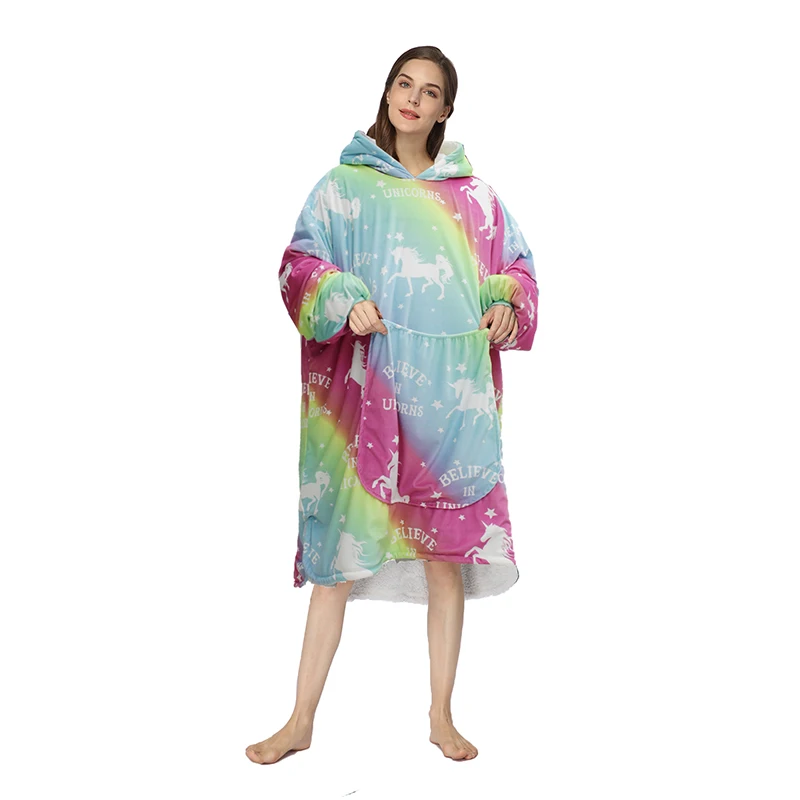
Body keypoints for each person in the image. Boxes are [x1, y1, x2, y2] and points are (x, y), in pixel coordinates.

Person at [246, 45, 539, 765]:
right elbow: (299, 264)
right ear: (387, 92)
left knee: (444, 563)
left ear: (446, 109)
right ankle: (299, 721)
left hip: (446, 409)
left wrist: (506, 304)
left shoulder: (475, 199)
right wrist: (339, 298)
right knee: (337, 567)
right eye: (403, 84)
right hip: (367, 401)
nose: (412, 98)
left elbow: (515, 271)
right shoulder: (343, 188)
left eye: (430, 91)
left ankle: (442, 716)